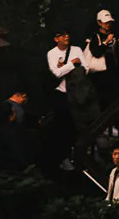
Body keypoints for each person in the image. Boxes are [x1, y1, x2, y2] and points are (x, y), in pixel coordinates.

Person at [46, 29, 85, 172]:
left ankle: (75, 156)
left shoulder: (77, 49)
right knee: (61, 125)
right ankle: (62, 158)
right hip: (62, 93)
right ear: (56, 39)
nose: (66, 37)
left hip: (77, 92)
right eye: (62, 35)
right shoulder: (52, 53)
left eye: (67, 34)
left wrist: (66, 68)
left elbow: (85, 68)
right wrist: (72, 64)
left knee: (77, 124)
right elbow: (56, 73)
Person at [88, 9, 119, 108]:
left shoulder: (116, 35)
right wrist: (106, 42)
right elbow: (96, 52)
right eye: (105, 22)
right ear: (99, 23)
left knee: (117, 94)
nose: (108, 24)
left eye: (109, 22)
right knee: (104, 98)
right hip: (101, 73)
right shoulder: (95, 37)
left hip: (114, 70)